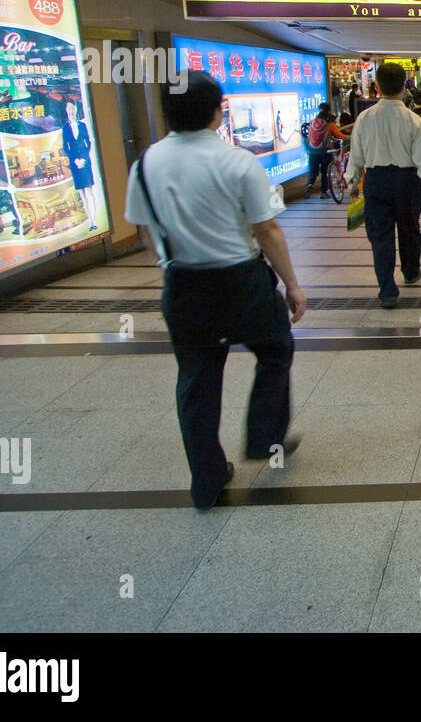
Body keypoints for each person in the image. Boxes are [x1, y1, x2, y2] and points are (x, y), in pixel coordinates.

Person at [124, 72, 307, 511]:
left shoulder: (145, 165)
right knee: (275, 351)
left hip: (185, 287)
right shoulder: (237, 161)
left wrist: (169, 261)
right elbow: (267, 230)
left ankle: (206, 480)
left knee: (197, 379)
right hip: (242, 282)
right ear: (217, 110)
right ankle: (264, 437)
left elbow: (145, 229)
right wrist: (292, 285)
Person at [346, 62, 421, 308]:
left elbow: (355, 153)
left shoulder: (364, 118)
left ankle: (387, 291)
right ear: (404, 87)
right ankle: (411, 271)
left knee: (380, 236)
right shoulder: (413, 120)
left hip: (375, 181)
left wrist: (352, 181)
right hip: (406, 181)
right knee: (410, 229)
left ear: (377, 85)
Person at [61, 100, 99, 231]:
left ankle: (95, 220)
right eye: (69, 109)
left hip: (85, 161)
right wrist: (75, 160)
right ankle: (91, 221)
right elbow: (65, 147)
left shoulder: (82, 125)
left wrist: (83, 158)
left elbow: (88, 142)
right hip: (74, 163)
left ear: (76, 110)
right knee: (82, 193)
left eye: (73, 109)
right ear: (66, 111)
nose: (71, 111)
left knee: (89, 190)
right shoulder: (65, 128)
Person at [304, 103, 349, 198]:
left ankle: (309, 186)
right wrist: (350, 136)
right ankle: (323, 192)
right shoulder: (330, 124)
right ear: (328, 111)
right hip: (325, 151)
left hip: (312, 151)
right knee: (325, 172)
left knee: (313, 172)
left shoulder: (312, 122)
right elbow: (341, 136)